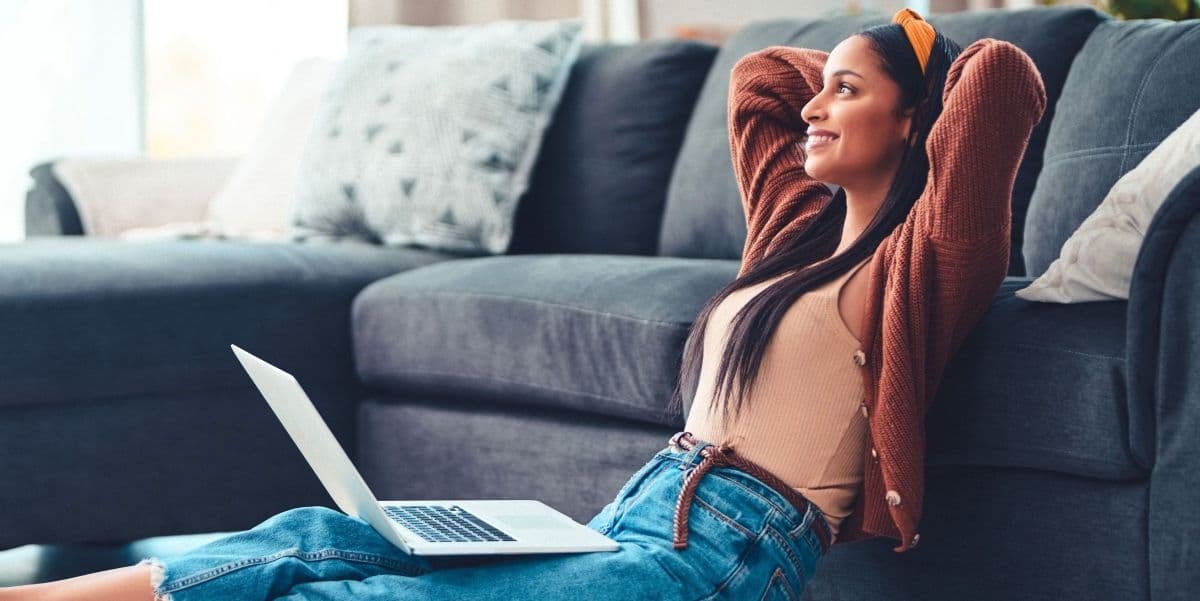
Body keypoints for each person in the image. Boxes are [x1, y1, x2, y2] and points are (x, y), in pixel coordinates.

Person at [0, 8, 1047, 600]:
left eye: (850, 94)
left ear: (916, 125)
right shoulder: (791, 233)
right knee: (325, 536)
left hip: (713, 558)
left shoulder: (926, 262)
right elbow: (761, 84)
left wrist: (918, 47)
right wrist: (857, 78)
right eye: (830, 87)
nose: (815, 103)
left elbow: (1000, 80)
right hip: (629, 514)